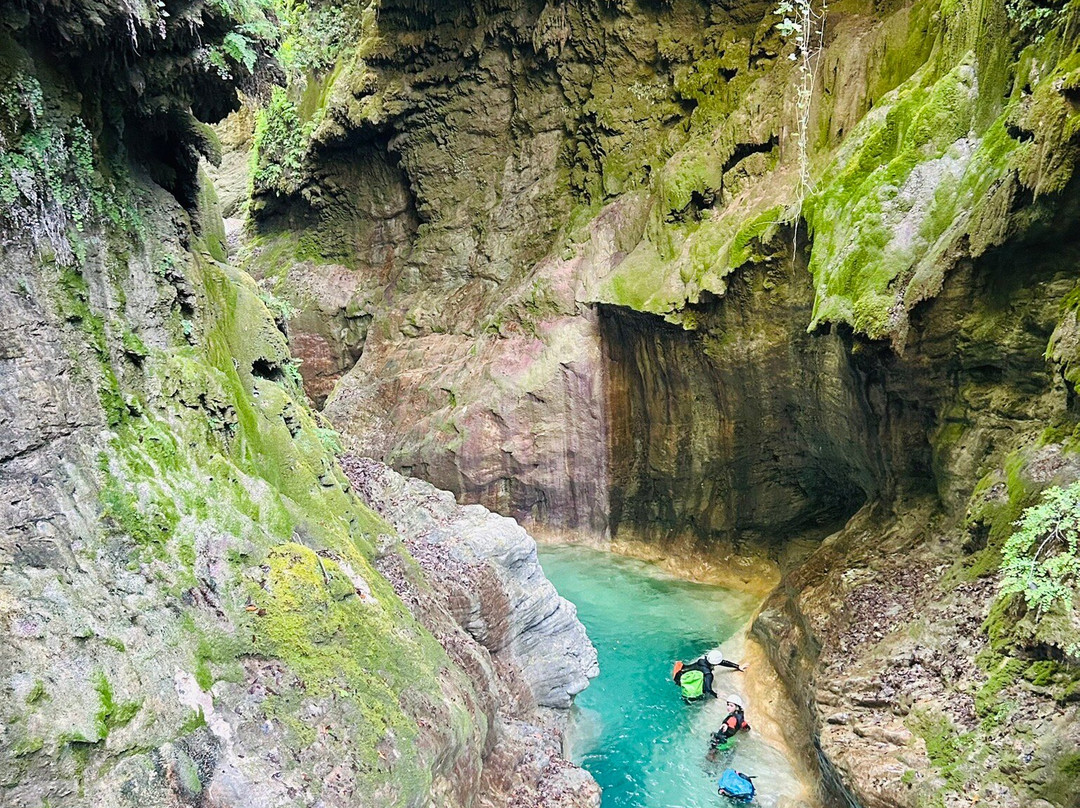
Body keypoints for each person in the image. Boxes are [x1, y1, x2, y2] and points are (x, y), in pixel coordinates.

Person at [672, 649, 746, 700]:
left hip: (679, 671)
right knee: (701, 695)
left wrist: (738, 666)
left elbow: (722, 662)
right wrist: (717, 695)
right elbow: (708, 689)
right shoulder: (708, 674)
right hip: (680, 680)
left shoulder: (703, 659)